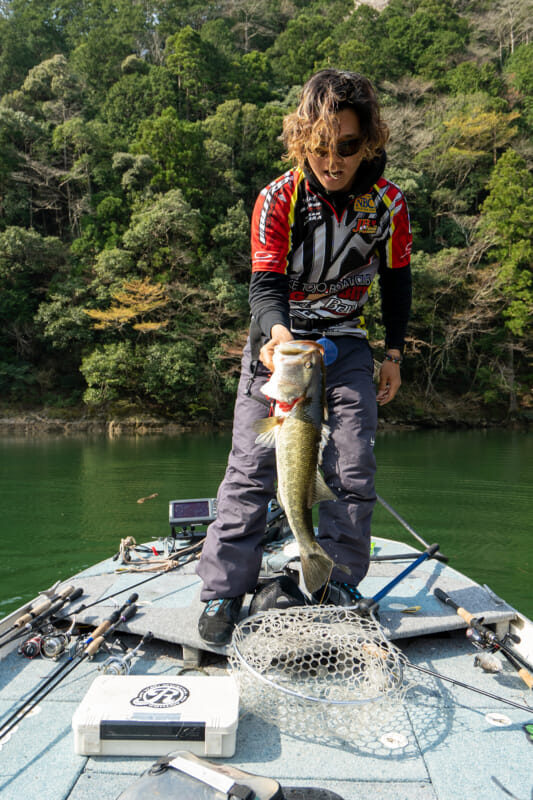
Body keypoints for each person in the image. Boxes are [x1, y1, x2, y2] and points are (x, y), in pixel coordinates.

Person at [196, 69, 412, 645]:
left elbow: (397, 282)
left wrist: (393, 351)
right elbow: (264, 286)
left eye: (347, 146)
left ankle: (333, 580)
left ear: (369, 141)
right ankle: (223, 589)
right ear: (302, 141)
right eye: (321, 147)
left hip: (345, 347)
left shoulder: (388, 204)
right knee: (249, 470)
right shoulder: (278, 199)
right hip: (281, 349)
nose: (334, 160)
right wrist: (275, 336)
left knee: (352, 465)